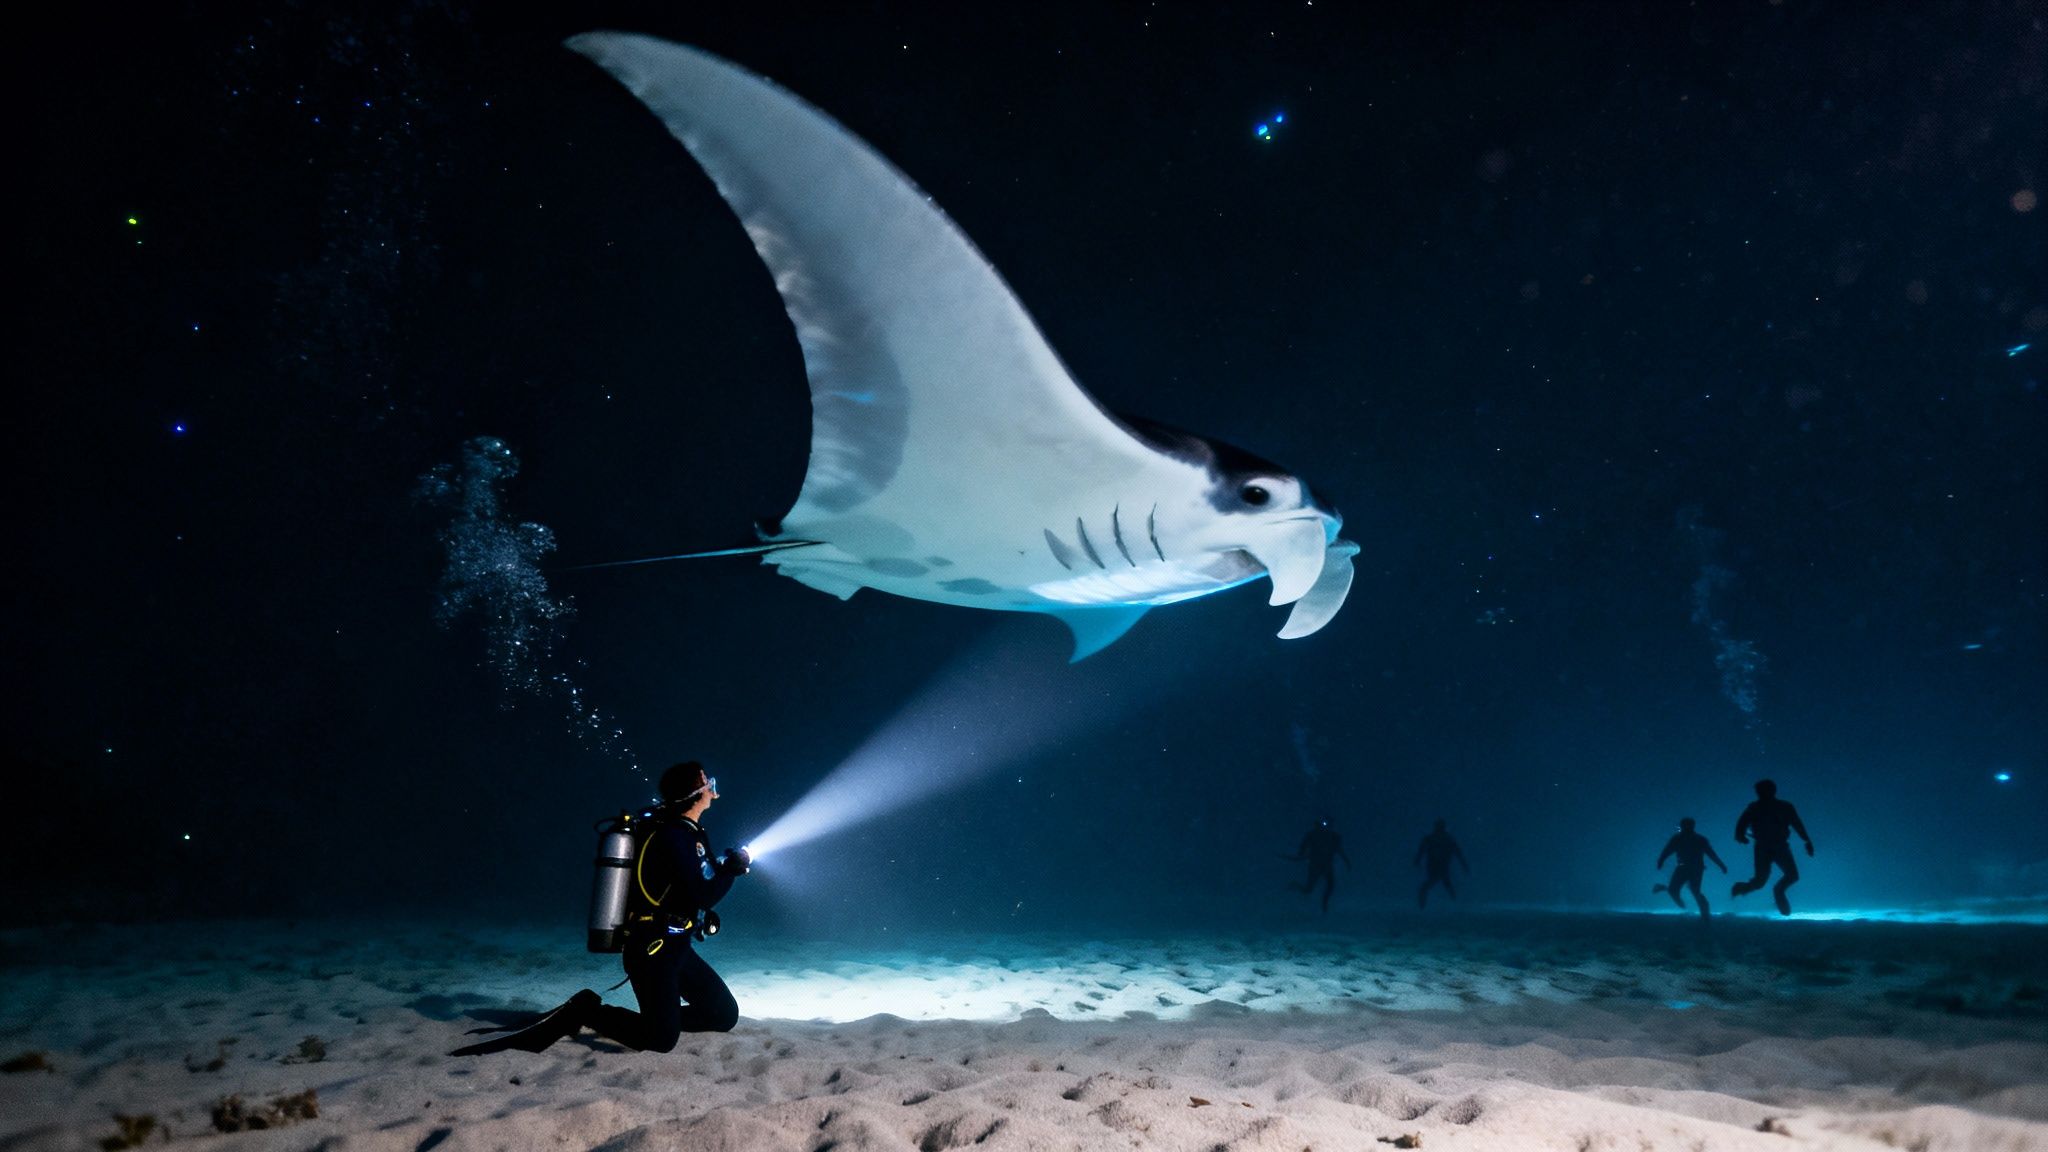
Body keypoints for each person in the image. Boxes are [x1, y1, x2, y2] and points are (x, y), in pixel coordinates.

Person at [452, 761, 750, 1056]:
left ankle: (661, 1020)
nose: (712, 786)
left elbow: (695, 883)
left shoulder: (690, 833)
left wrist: (724, 868)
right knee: (661, 1039)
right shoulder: (674, 835)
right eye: (706, 781)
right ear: (694, 792)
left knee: (723, 1015)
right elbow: (702, 895)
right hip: (652, 949)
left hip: (678, 945)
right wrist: (733, 871)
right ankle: (587, 1012)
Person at [1729, 779, 1814, 916]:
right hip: (1764, 847)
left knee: (1791, 876)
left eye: (1762, 791)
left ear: (1772, 791)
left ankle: (1776, 891)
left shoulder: (1783, 806)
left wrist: (1807, 841)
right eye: (1759, 792)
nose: (1761, 794)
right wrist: (1740, 835)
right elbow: (1742, 823)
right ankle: (1743, 888)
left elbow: (1797, 824)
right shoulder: (1755, 807)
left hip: (1778, 845)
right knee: (1760, 882)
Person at [1652, 817, 1727, 918]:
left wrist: (1721, 865)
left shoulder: (1695, 839)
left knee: (1692, 891)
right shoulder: (1682, 839)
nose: (1686, 828)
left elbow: (1711, 854)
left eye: (1688, 826)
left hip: (1694, 869)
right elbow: (1667, 851)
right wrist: (1661, 860)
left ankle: (1705, 916)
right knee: (1681, 890)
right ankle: (1704, 915)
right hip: (1688, 868)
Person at [1282, 818, 1351, 913]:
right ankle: (1295, 885)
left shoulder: (1334, 837)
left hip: (1327, 865)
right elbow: (1302, 848)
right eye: (1320, 824)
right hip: (1315, 865)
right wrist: (1300, 855)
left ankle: (1324, 906)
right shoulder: (1312, 835)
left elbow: (1339, 850)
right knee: (1308, 890)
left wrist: (1346, 861)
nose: (1323, 827)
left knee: (1330, 886)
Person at [1414, 818, 1468, 909]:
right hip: (1437, 866)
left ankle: (1456, 903)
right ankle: (1455, 902)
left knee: (1442, 884)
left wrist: (1417, 860)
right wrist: (1464, 865)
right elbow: (1458, 853)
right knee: (1445, 884)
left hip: (1439, 866)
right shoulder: (1442, 839)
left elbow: (1458, 853)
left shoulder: (1442, 839)